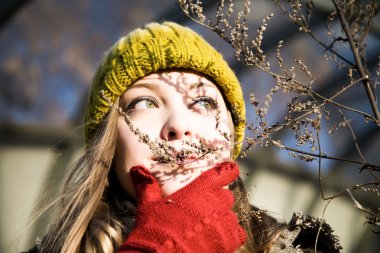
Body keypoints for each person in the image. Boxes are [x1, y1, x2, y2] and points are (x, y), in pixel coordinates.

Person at [25, 22, 342, 253]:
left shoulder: (302, 248)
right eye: (144, 103)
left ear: (231, 136)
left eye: (203, 103)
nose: (178, 125)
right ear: (109, 143)